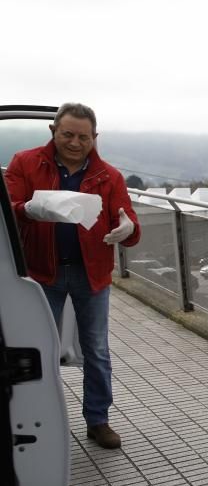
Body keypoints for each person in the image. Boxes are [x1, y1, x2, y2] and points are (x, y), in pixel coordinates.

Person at [4, 103, 140, 449]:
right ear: (53, 131)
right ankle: (41, 416)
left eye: (84, 137)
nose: (76, 143)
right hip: (41, 272)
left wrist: (127, 229)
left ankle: (98, 419)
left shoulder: (109, 176)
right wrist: (28, 210)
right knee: (40, 348)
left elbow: (129, 223)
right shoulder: (25, 162)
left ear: (95, 138)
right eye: (68, 134)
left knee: (96, 349)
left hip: (90, 274)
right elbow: (8, 207)